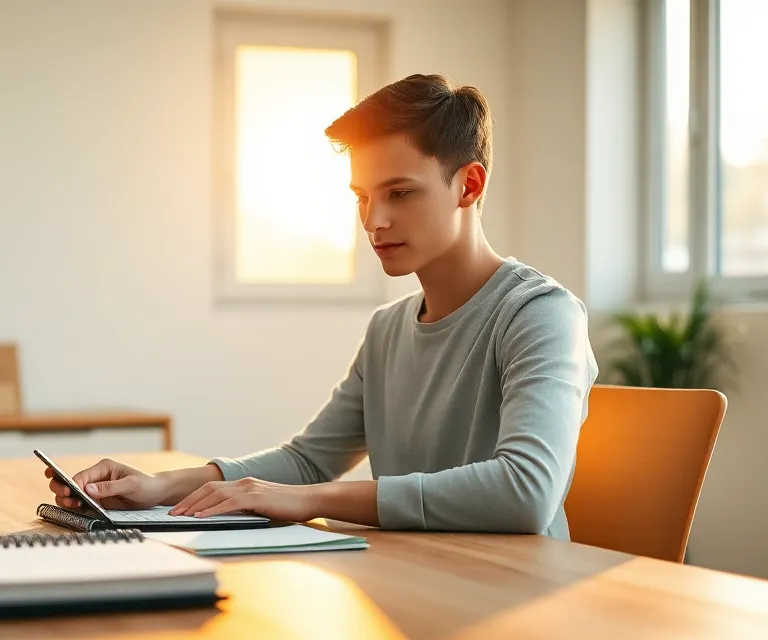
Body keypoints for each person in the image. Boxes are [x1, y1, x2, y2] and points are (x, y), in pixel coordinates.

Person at [48, 73, 599, 538]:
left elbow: (526, 492)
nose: (374, 221)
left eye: (400, 193)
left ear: (469, 186)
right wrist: (159, 486)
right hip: (415, 581)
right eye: (362, 197)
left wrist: (310, 500)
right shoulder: (388, 329)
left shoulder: (540, 314)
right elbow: (309, 460)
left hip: (514, 595)